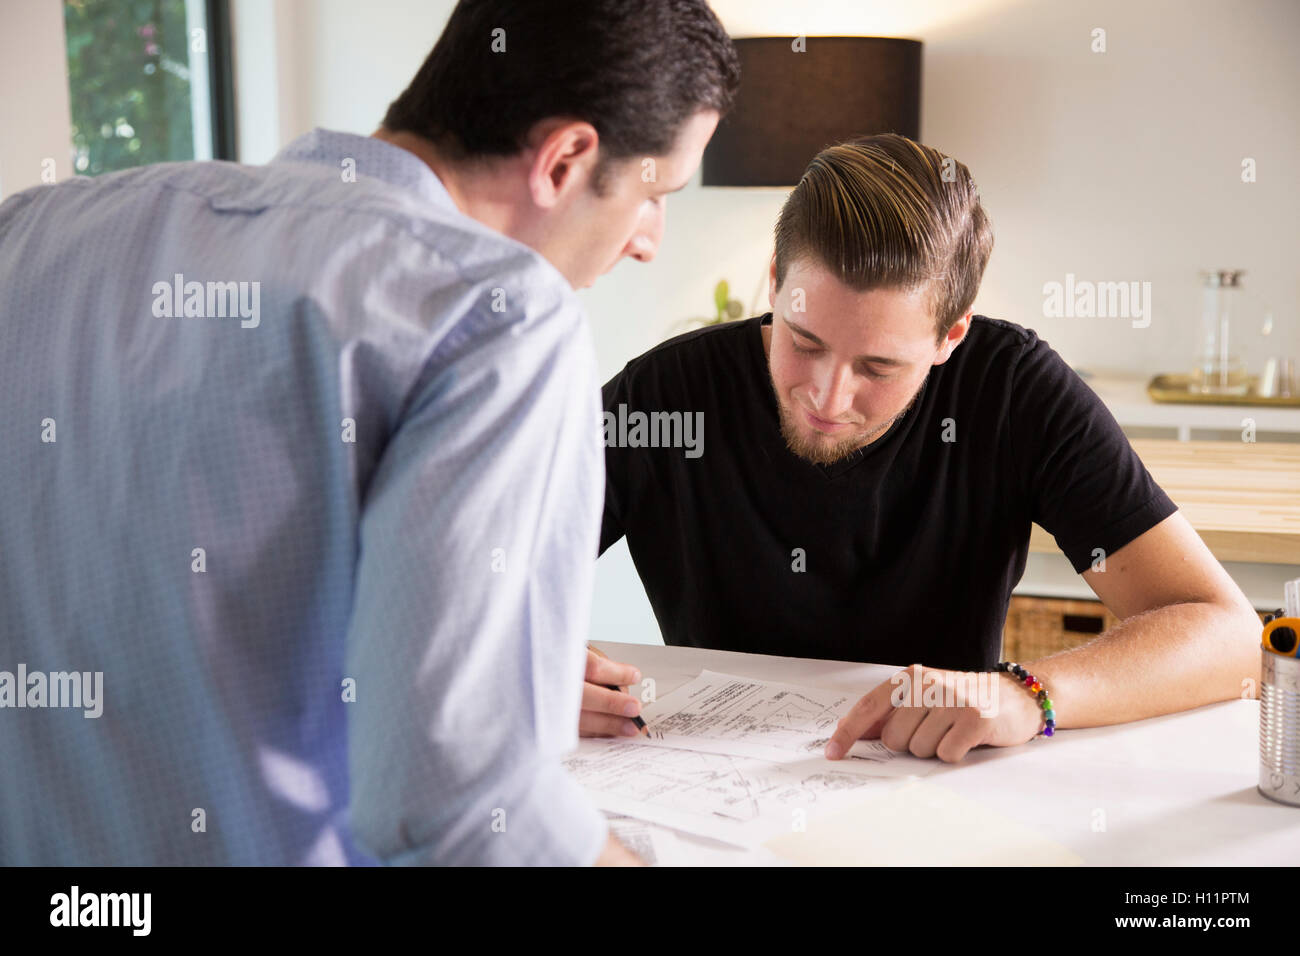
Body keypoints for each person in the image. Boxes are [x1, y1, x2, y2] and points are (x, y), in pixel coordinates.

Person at [0, 0, 738, 865]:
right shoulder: (496, 312)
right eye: (656, 193)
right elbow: (458, 808)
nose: (650, 241)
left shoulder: (34, 229)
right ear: (567, 157)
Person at [584, 134, 1262, 764]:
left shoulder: (1012, 389)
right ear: (775, 280)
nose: (827, 396)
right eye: (805, 341)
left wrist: (1028, 694)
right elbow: (482, 565)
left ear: (951, 336)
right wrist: (520, 667)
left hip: (944, 779)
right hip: (705, 782)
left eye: (877, 368)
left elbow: (1229, 638)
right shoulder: (665, 396)